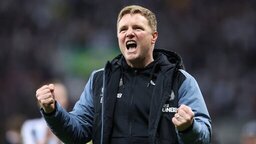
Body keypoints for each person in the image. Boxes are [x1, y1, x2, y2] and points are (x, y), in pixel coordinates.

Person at [35, 5, 212, 144]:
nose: (129, 33)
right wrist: (52, 112)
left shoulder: (180, 80)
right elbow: (77, 133)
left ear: (154, 37)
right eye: (123, 29)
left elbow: (203, 135)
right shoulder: (100, 80)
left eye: (138, 28)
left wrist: (189, 127)